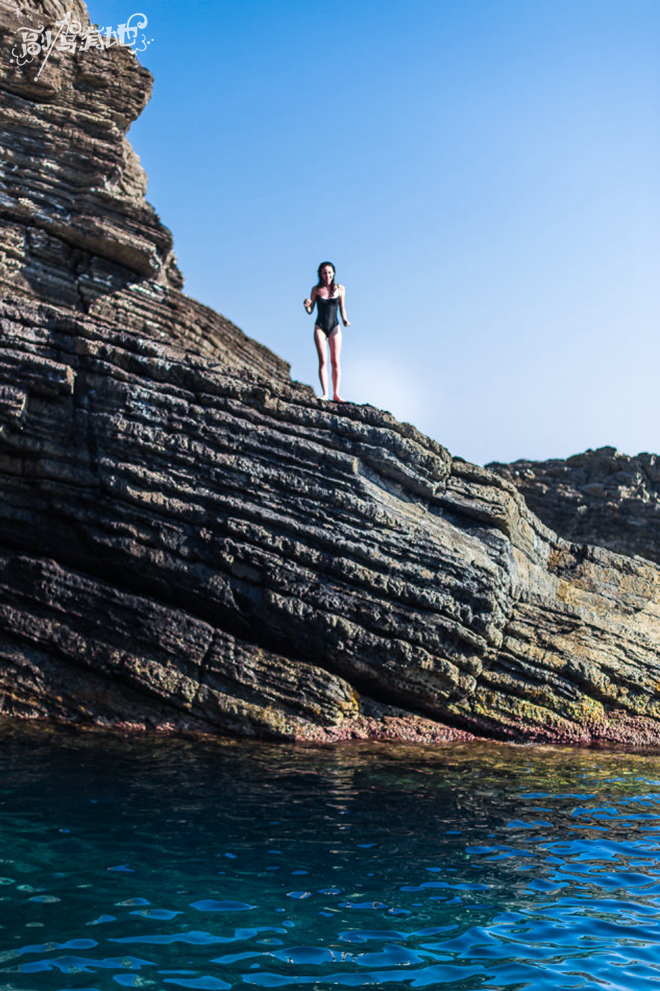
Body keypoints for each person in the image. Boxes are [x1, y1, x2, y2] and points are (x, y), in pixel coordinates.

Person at [303, 261, 350, 402]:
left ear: (334, 273)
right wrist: (306, 306)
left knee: (335, 361)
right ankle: (325, 393)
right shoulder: (316, 289)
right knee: (323, 361)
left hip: (335, 326)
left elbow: (342, 307)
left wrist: (345, 319)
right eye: (324, 272)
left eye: (329, 272)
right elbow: (310, 311)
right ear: (320, 274)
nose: (327, 275)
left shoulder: (340, 288)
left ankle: (336, 394)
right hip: (320, 327)